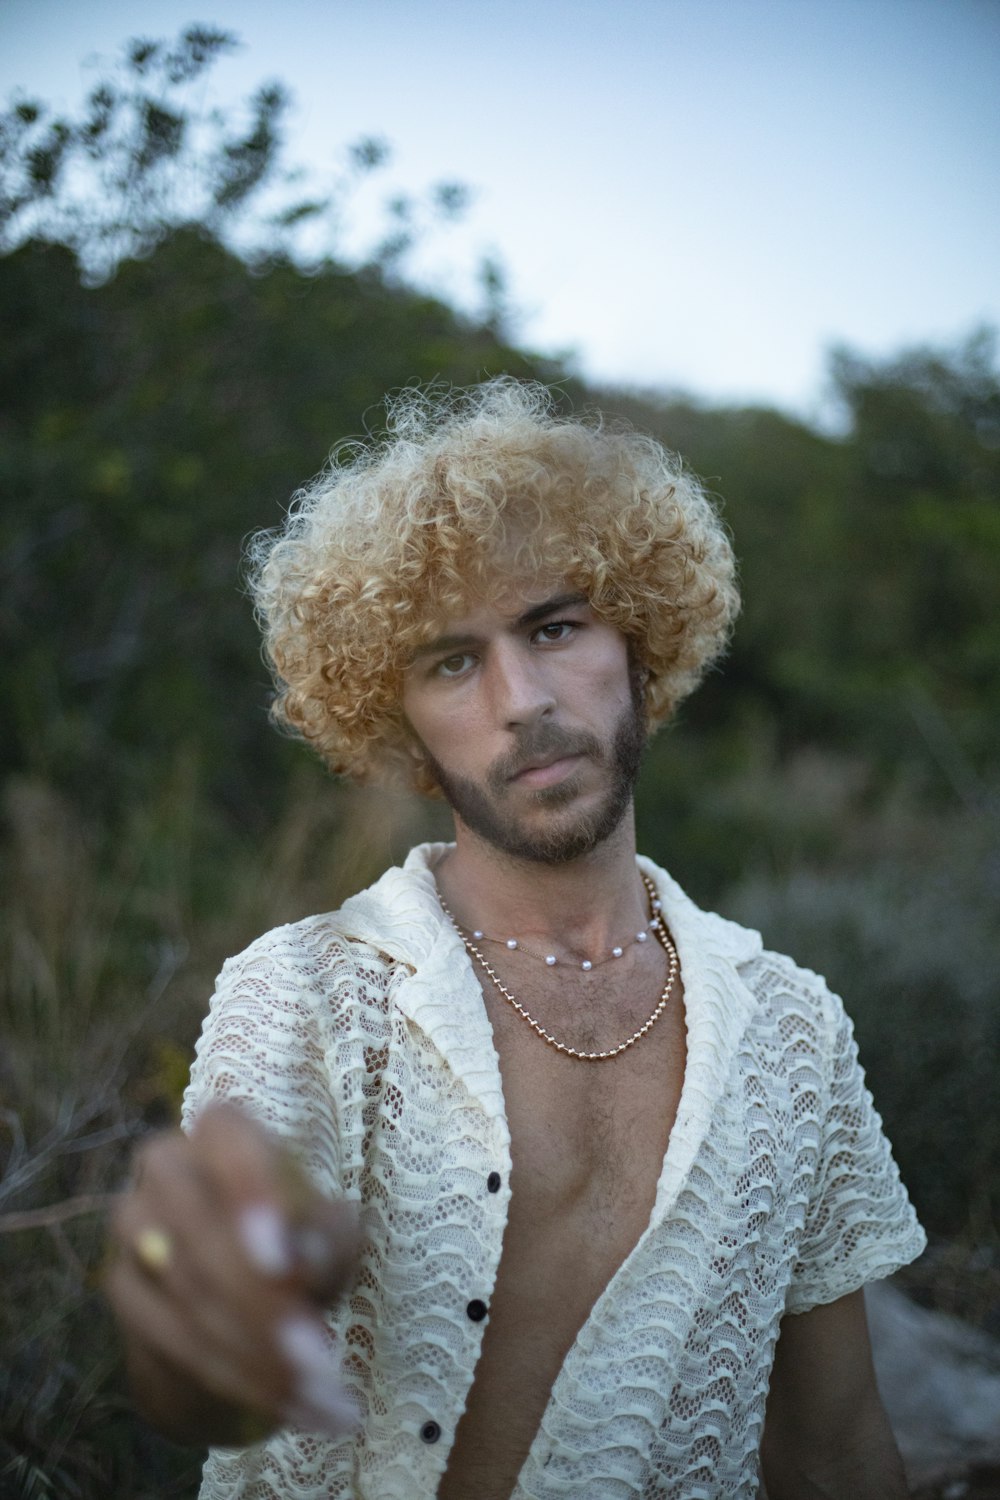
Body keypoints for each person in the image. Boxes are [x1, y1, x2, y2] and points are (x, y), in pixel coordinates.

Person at [106, 379, 926, 1499]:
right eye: (451, 661)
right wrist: (200, 1323)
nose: (521, 698)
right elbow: (211, 1387)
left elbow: (833, 1447)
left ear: (638, 643)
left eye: (554, 627)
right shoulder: (307, 994)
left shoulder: (793, 1028)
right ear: (398, 718)